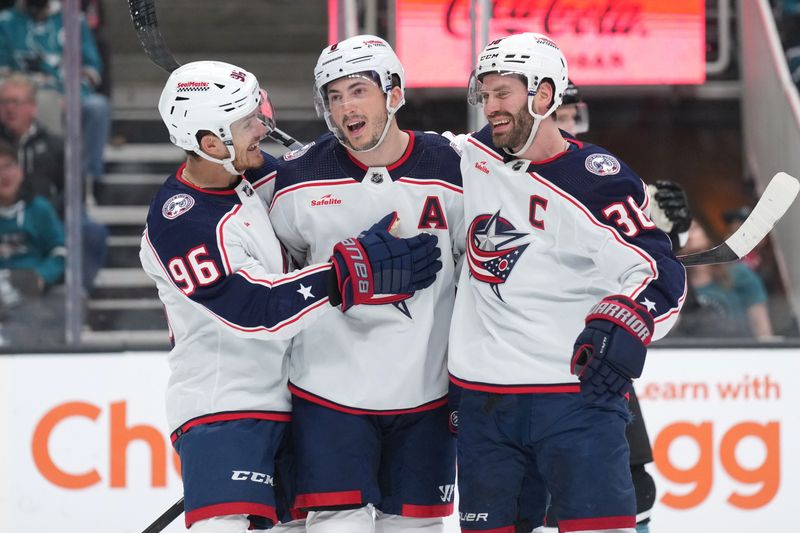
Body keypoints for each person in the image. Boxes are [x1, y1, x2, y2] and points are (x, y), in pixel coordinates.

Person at [139, 60, 442, 533]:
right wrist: (347, 272)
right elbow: (254, 309)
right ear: (210, 144)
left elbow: (315, 170)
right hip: (225, 405)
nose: (262, 127)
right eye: (247, 124)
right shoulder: (182, 224)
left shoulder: (247, 178)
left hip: (292, 399)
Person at [448, 33, 686, 533]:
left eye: (503, 92)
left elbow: (658, 276)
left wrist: (630, 317)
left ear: (544, 94)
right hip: (486, 404)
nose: (490, 106)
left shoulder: (594, 179)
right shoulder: (464, 160)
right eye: (485, 93)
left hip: (574, 402)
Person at [268, 35, 464, 533]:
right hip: (327, 395)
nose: (344, 107)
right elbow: (274, 278)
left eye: (358, 90)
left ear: (393, 93)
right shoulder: (294, 182)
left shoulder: (455, 168)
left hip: (426, 395)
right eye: (333, 96)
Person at [546, 80, 693, 533]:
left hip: (596, 362)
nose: (570, 128)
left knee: (632, 487)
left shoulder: (598, 176)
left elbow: (648, 262)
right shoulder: (504, 179)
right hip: (530, 372)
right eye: (561, 118)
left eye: (575, 118)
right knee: (548, 496)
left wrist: (674, 233)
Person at [0, 73, 107, 290]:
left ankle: (76, 299)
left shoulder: (56, 146)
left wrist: (48, 211)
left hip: (50, 214)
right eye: (4, 102)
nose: (10, 109)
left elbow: (71, 189)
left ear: (32, 107)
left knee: (90, 232)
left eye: (16, 102)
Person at [0, 0, 111, 194]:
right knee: (43, 102)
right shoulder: (6, 22)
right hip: (24, 96)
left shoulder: (74, 20)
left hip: (70, 94)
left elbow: (92, 70)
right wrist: (23, 94)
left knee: (98, 106)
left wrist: (73, 96)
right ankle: (45, 175)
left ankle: (90, 179)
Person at [0, 139, 65, 345]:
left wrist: (41, 276)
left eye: (8, 166)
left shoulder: (39, 209)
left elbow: (60, 252)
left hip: (30, 290)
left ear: (20, 171)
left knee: (67, 301)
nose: (4, 175)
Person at [681, 220, 773, 339]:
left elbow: (761, 326)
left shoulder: (739, 274)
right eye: (681, 233)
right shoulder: (672, 284)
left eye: (693, 229)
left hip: (737, 352)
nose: (687, 236)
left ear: (706, 233)